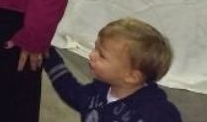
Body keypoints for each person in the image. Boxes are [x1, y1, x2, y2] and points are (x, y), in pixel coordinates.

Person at [44, 18, 182, 122]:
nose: (92, 55)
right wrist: (48, 55)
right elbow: (72, 92)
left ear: (132, 76)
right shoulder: (97, 92)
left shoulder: (157, 113)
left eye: (102, 55)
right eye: (95, 48)